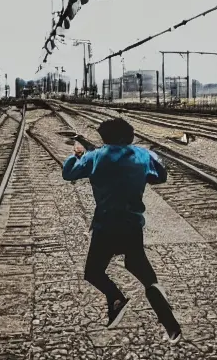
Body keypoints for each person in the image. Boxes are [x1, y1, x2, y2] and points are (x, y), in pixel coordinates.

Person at [61, 117, 182, 343]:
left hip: (105, 225)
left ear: (105, 138)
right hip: (132, 224)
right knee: (139, 268)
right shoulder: (142, 155)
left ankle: (116, 298)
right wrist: (150, 158)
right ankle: (171, 325)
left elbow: (68, 174)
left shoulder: (94, 157)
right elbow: (160, 176)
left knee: (94, 272)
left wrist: (75, 155)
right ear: (130, 137)